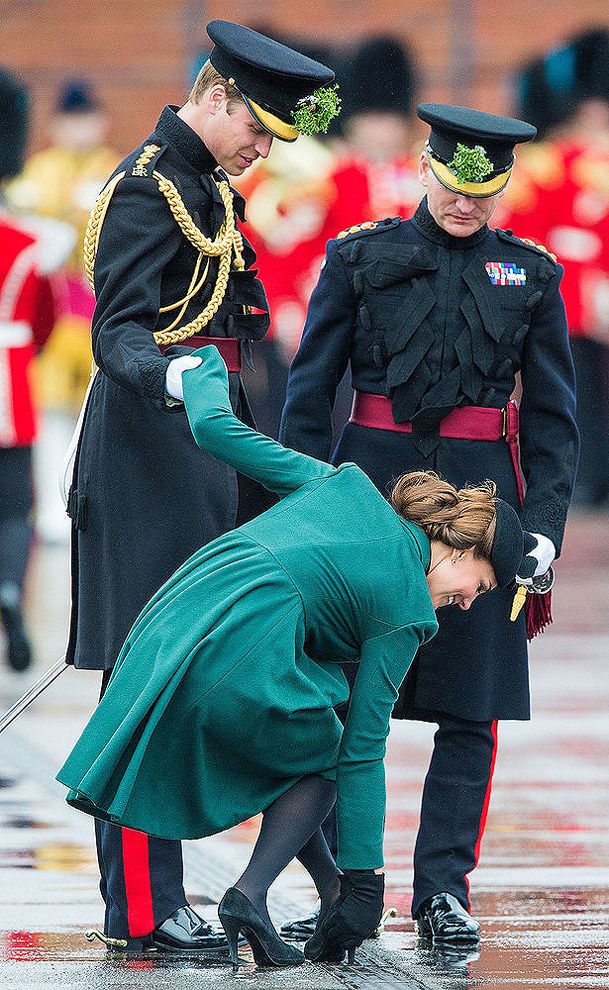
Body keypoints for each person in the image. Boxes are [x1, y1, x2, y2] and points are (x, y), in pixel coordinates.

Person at [58, 344, 534, 967]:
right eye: (481, 586)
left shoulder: (343, 485)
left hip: (178, 613)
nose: (469, 603)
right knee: (327, 747)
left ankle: (319, 889)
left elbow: (218, 433)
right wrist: (368, 883)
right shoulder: (405, 607)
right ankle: (251, 894)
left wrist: (202, 374)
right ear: (462, 549)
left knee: (299, 732)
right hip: (242, 646)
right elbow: (363, 750)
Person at [63, 20, 339, 954]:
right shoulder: (148, 188)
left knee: (212, 662)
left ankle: (278, 883)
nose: (264, 148)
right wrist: (173, 379)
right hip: (152, 448)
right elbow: (118, 330)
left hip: (210, 444)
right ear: (216, 97)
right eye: (257, 127)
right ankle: (142, 908)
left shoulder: (205, 184)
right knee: (150, 672)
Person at [280, 104, 579, 942]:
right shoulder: (358, 256)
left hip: (484, 504)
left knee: (470, 706)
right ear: (424, 168)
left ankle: (443, 891)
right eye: (452, 185)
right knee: (337, 697)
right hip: (366, 494)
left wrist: (542, 527)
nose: (464, 204)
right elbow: (309, 393)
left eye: (482, 193)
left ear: (501, 189)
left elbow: (553, 418)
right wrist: (302, 504)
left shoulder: (530, 274)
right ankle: (340, 887)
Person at [7, 79, 119, 543]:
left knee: (96, 410)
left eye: (86, 119)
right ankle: (54, 510)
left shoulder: (114, 169)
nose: (78, 130)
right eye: (70, 121)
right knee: (52, 412)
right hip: (56, 309)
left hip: (98, 309)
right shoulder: (37, 174)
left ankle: (94, 502)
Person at [0, 68, 56, 671]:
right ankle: (11, 588)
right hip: (10, 385)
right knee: (16, 508)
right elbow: (43, 320)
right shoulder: (25, 242)